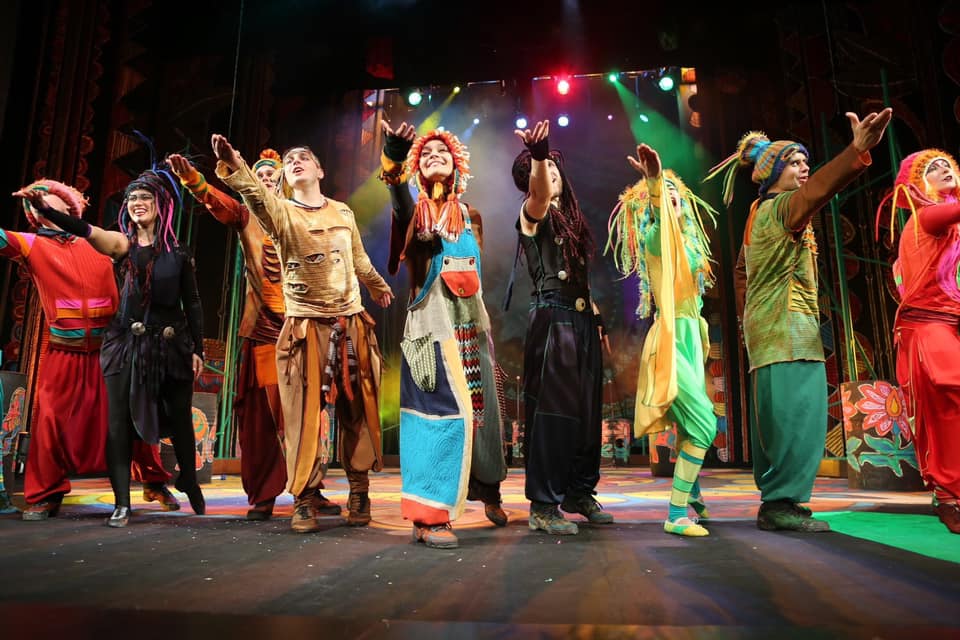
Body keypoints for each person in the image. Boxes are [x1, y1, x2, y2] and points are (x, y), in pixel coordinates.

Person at [706, 108, 892, 532]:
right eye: (794, 162)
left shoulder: (757, 213)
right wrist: (855, 151)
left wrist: (750, 318)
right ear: (774, 173)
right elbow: (818, 193)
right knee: (798, 418)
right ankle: (780, 503)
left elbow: (741, 271)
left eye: (806, 161)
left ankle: (779, 500)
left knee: (779, 419)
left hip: (768, 331)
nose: (804, 168)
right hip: (789, 330)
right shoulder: (783, 207)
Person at [212, 134, 393, 533]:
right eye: (290, 159)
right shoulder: (280, 212)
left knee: (357, 411)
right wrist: (235, 165)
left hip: (349, 322)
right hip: (304, 327)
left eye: (304, 158)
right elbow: (254, 196)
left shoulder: (342, 211)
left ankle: (359, 489)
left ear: (319, 170)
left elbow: (358, 258)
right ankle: (305, 497)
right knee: (302, 416)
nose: (295, 161)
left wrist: (377, 284)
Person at [169, 150, 340, 521]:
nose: (265, 179)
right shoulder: (247, 217)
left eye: (271, 175)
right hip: (265, 332)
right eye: (257, 175)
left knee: (307, 414)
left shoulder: (303, 217)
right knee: (266, 417)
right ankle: (264, 493)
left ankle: (309, 489)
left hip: (306, 328)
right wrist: (194, 180)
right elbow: (219, 202)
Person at [7, 180, 175, 522]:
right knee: (50, 420)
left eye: (49, 198)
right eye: (36, 202)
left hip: (111, 350)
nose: (42, 203)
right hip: (63, 352)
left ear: (69, 205)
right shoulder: (31, 244)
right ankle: (46, 494)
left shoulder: (96, 240)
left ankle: (154, 481)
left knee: (134, 417)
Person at [378, 122, 507, 549]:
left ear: (457, 165)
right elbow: (400, 200)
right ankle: (428, 516)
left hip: (470, 327)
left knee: (482, 415)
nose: (435, 156)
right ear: (416, 168)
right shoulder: (413, 212)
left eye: (443, 152)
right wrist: (393, 159)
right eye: (426, 153)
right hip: (431, 329)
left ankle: (486, 488)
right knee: (436, 417)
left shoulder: (471, 216)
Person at [508, 120, 614, 535]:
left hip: (581, 319)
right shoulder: (532, 213)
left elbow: (580, 279)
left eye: (555, 167)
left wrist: (596, 318)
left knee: (587, 413)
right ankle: (544, 504)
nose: (551, 172)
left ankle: (578, 491)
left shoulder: (570, 220)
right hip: (554, 320)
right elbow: (538, 195)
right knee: (554, 413)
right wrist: (539, 155)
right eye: (542, 168)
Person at [608, 144, 717, 536]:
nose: (671, 196)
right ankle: (675, 514)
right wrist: (655, 183)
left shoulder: (689, 241)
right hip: (670, 339)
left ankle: (694, 496)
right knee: (704, 425)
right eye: (662, 193)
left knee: (691, 425)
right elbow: (661, 220)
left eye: (675, 191)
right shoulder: (656, 238)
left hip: (690, 337)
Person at [876, 148, 960, 533]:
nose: (943, 168)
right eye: (932, 168)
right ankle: (949, 496)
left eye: (947, 164)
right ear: (917, 185)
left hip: (948, 324)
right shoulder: (927, 216)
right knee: (946, 411)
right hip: (928, 327)